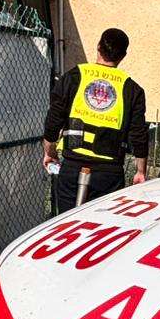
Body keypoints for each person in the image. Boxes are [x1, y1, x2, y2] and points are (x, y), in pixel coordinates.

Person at [43, 27, 149, 211]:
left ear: (98, 46)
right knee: (99, 225)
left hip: (73, 166)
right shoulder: (132, 89)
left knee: (68, 223)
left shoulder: (74, 77)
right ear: (123, 56)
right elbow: (139, 134)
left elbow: (53, 120)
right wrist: (141, 171)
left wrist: (50, 152)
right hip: (108, 173)